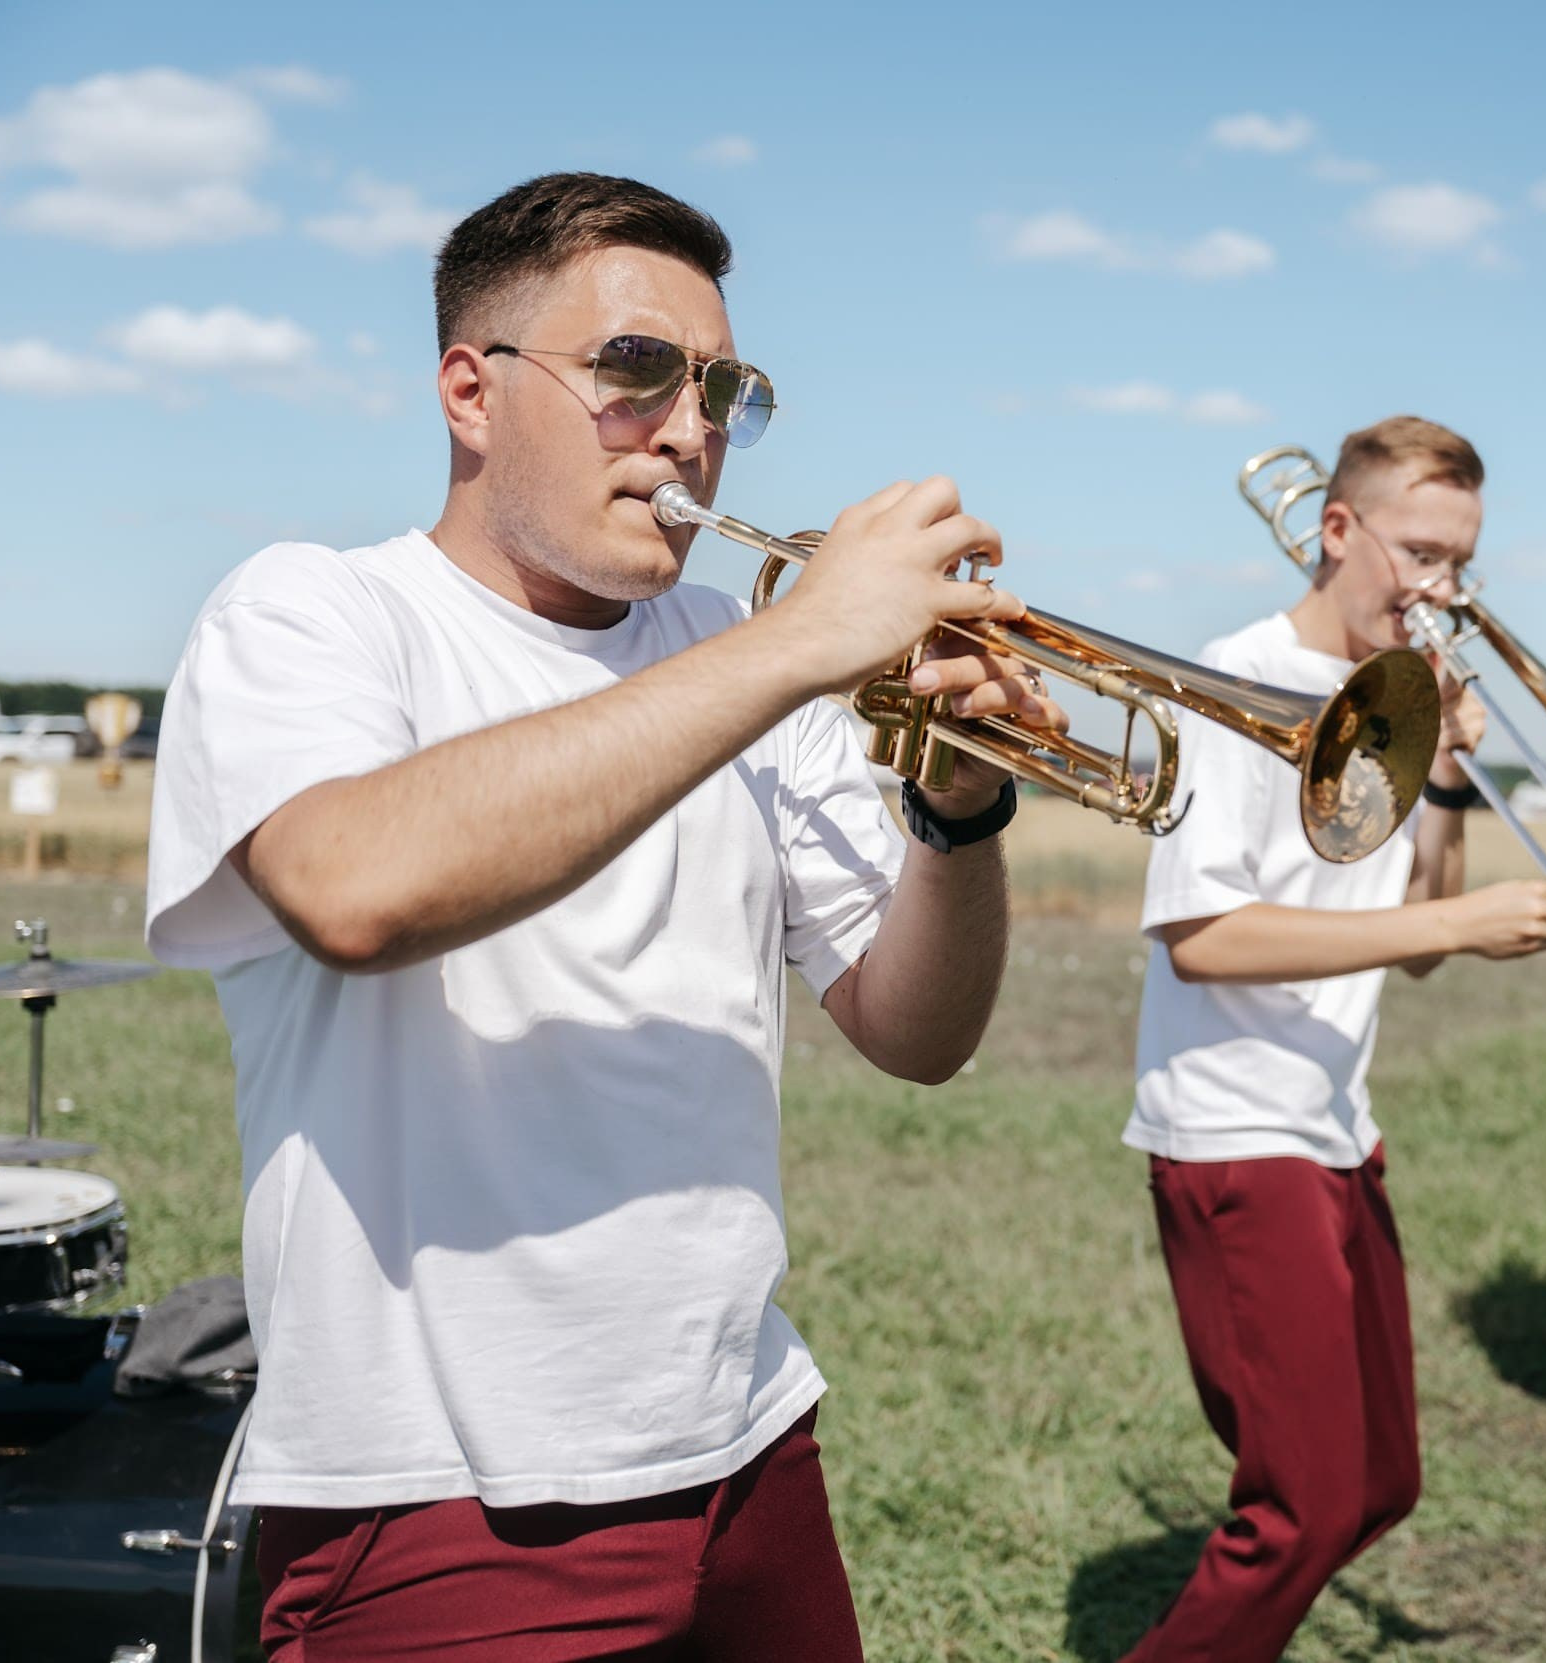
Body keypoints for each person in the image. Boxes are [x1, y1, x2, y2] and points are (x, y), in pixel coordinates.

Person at [145, 172, 1065, 1659]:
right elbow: (353, 888)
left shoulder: (736, 650)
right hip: (437, 1496)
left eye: (724, 389)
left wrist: (958, 810)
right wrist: (803, 641)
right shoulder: (314, 611)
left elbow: (916, 1033)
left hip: (749, 1440)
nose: (692, 428)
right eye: (636, 372)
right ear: (471, 390)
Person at [1123, 416, 1546, 1661]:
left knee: (1380, 1482)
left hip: (1335, 1126)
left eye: (1461, 565)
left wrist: (1443, 781)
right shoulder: (1241, 671)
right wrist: (1456, 915)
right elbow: (1201, 934)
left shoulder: (1390, 701)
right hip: (1234, 1126)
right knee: (1306, 1505)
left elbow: (1421, 939)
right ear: (1336, 531)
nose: (1443, 591)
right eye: (1422, 554)